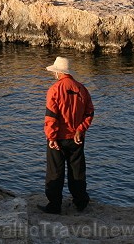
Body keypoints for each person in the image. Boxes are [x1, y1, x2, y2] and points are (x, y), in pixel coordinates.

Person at [39, 56, 94, 215]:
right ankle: (80, 202)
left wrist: (51, 137)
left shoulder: (55, 90)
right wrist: (80, 130)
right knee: (77, 171)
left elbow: (51, 117)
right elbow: (90, 112)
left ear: (57, 73)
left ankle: (54, 206)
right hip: (76, 138)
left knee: (55, 172)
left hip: (59, 138)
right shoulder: (81, 89)